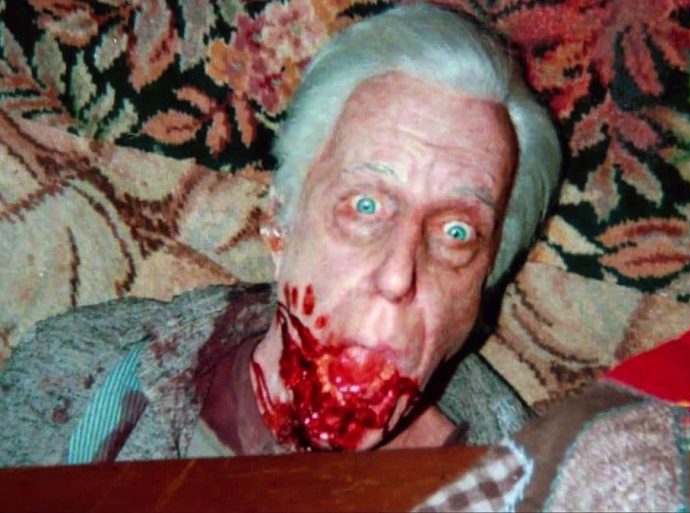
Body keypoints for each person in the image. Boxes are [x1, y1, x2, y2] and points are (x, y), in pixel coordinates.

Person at [0, 3, 560, 466]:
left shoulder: (540, 490)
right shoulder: (70, 381)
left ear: (482, 286)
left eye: (457, 231)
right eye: (365, 205)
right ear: (281, 225)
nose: (397, 275)